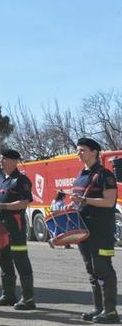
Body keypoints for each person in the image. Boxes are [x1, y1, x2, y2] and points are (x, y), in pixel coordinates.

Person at [70, 138, 119, 323]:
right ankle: (99, 309)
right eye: (77, 150)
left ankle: (111, 312)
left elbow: (108, 201)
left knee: (103, 270)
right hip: (84, 231)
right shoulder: (81, 175)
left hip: (101, 232)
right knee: (91, 271)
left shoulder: (105, 175)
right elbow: (79, 201)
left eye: (82, 150)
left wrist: (85, 201)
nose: (78, 153)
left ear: (94, 152)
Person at [0, 149, 36, 311]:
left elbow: (24, 203)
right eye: (0, 159)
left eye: (3, 159)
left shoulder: (21, 180)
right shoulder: (1, 180)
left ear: (14, 161)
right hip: (1, 227)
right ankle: (8, 295)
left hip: (16, 227)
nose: (0, 161)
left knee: (21, 261)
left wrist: (2, 206)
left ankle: (28, 299)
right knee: (4, 261)